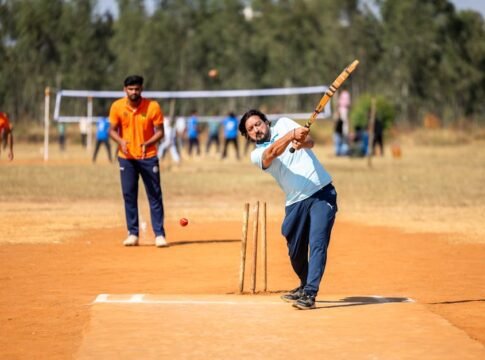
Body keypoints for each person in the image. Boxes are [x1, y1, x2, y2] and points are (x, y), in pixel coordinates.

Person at [239, 109, 337, 310]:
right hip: (295, 201)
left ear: (266, 122)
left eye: (257, 124)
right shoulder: (256, 154)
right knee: (295, 251)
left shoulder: (284, 123)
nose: (256, 129)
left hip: (321, 191)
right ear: (248, 136)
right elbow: (272, 153)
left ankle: (310, 293)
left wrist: (303, 142)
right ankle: (303, 284)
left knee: (317, 242)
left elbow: (310, 141)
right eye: (250, 129)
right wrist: (291, 136)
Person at [109, 75, 168, 248]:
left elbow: (160, 131)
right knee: (129, 195)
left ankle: (159, 235)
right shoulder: (117, 107)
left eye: (137, 89)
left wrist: (148, 142)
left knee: (154, 195)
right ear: (125, 90)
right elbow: (112, 130)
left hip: (148, 157)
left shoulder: (152, 106)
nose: (134, 92)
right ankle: (132, 234)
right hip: (126, 158)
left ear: (142, 89)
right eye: (130, 89)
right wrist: (121, 141)